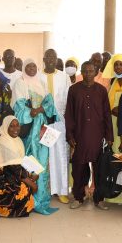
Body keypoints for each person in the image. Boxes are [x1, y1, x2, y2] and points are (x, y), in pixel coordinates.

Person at [12, 58, 59, 215]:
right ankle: (28, 199)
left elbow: (50, 104)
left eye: (34, 65)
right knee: (29, 162)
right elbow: (19, 107)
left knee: (43, 163)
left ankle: (41, 200)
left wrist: (40, 111)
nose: (32, 68)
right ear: (24, 68)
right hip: (28, 129)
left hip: (43, 128)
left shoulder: (41, 82)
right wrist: (36, 111)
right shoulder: (20, 83)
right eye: (29, 66)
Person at [65, 61, 113, 210]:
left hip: (97, 135)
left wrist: (109, 136)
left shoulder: (101, 90)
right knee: (79, 168)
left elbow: (106, 115)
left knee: (99, 168)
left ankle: (99, 199)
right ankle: (79, 197)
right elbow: (69, 114)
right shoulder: (73, 90)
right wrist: (70, 135)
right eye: (85, 71)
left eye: (91, 71)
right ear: (81, 72)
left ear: (96, 72)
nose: (88, 74)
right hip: (79, 134)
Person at [40, 49, 72, 204]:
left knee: (60, 156)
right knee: (44, 156)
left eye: (54, 56)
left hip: (59, 122)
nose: (51, 59)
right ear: (44, 59)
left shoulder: (64, 77)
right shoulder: (37, 76)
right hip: (43, 122)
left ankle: (61, 190)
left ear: (57, 59)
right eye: (48, 57)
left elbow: (69, 99)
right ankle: (45, 189)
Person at [103, 54, 122, 153]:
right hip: (112, 122)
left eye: (121, 64)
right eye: (116, 64)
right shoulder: (113, 81)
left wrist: (121, 110)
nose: (118, 67)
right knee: (114, 151)